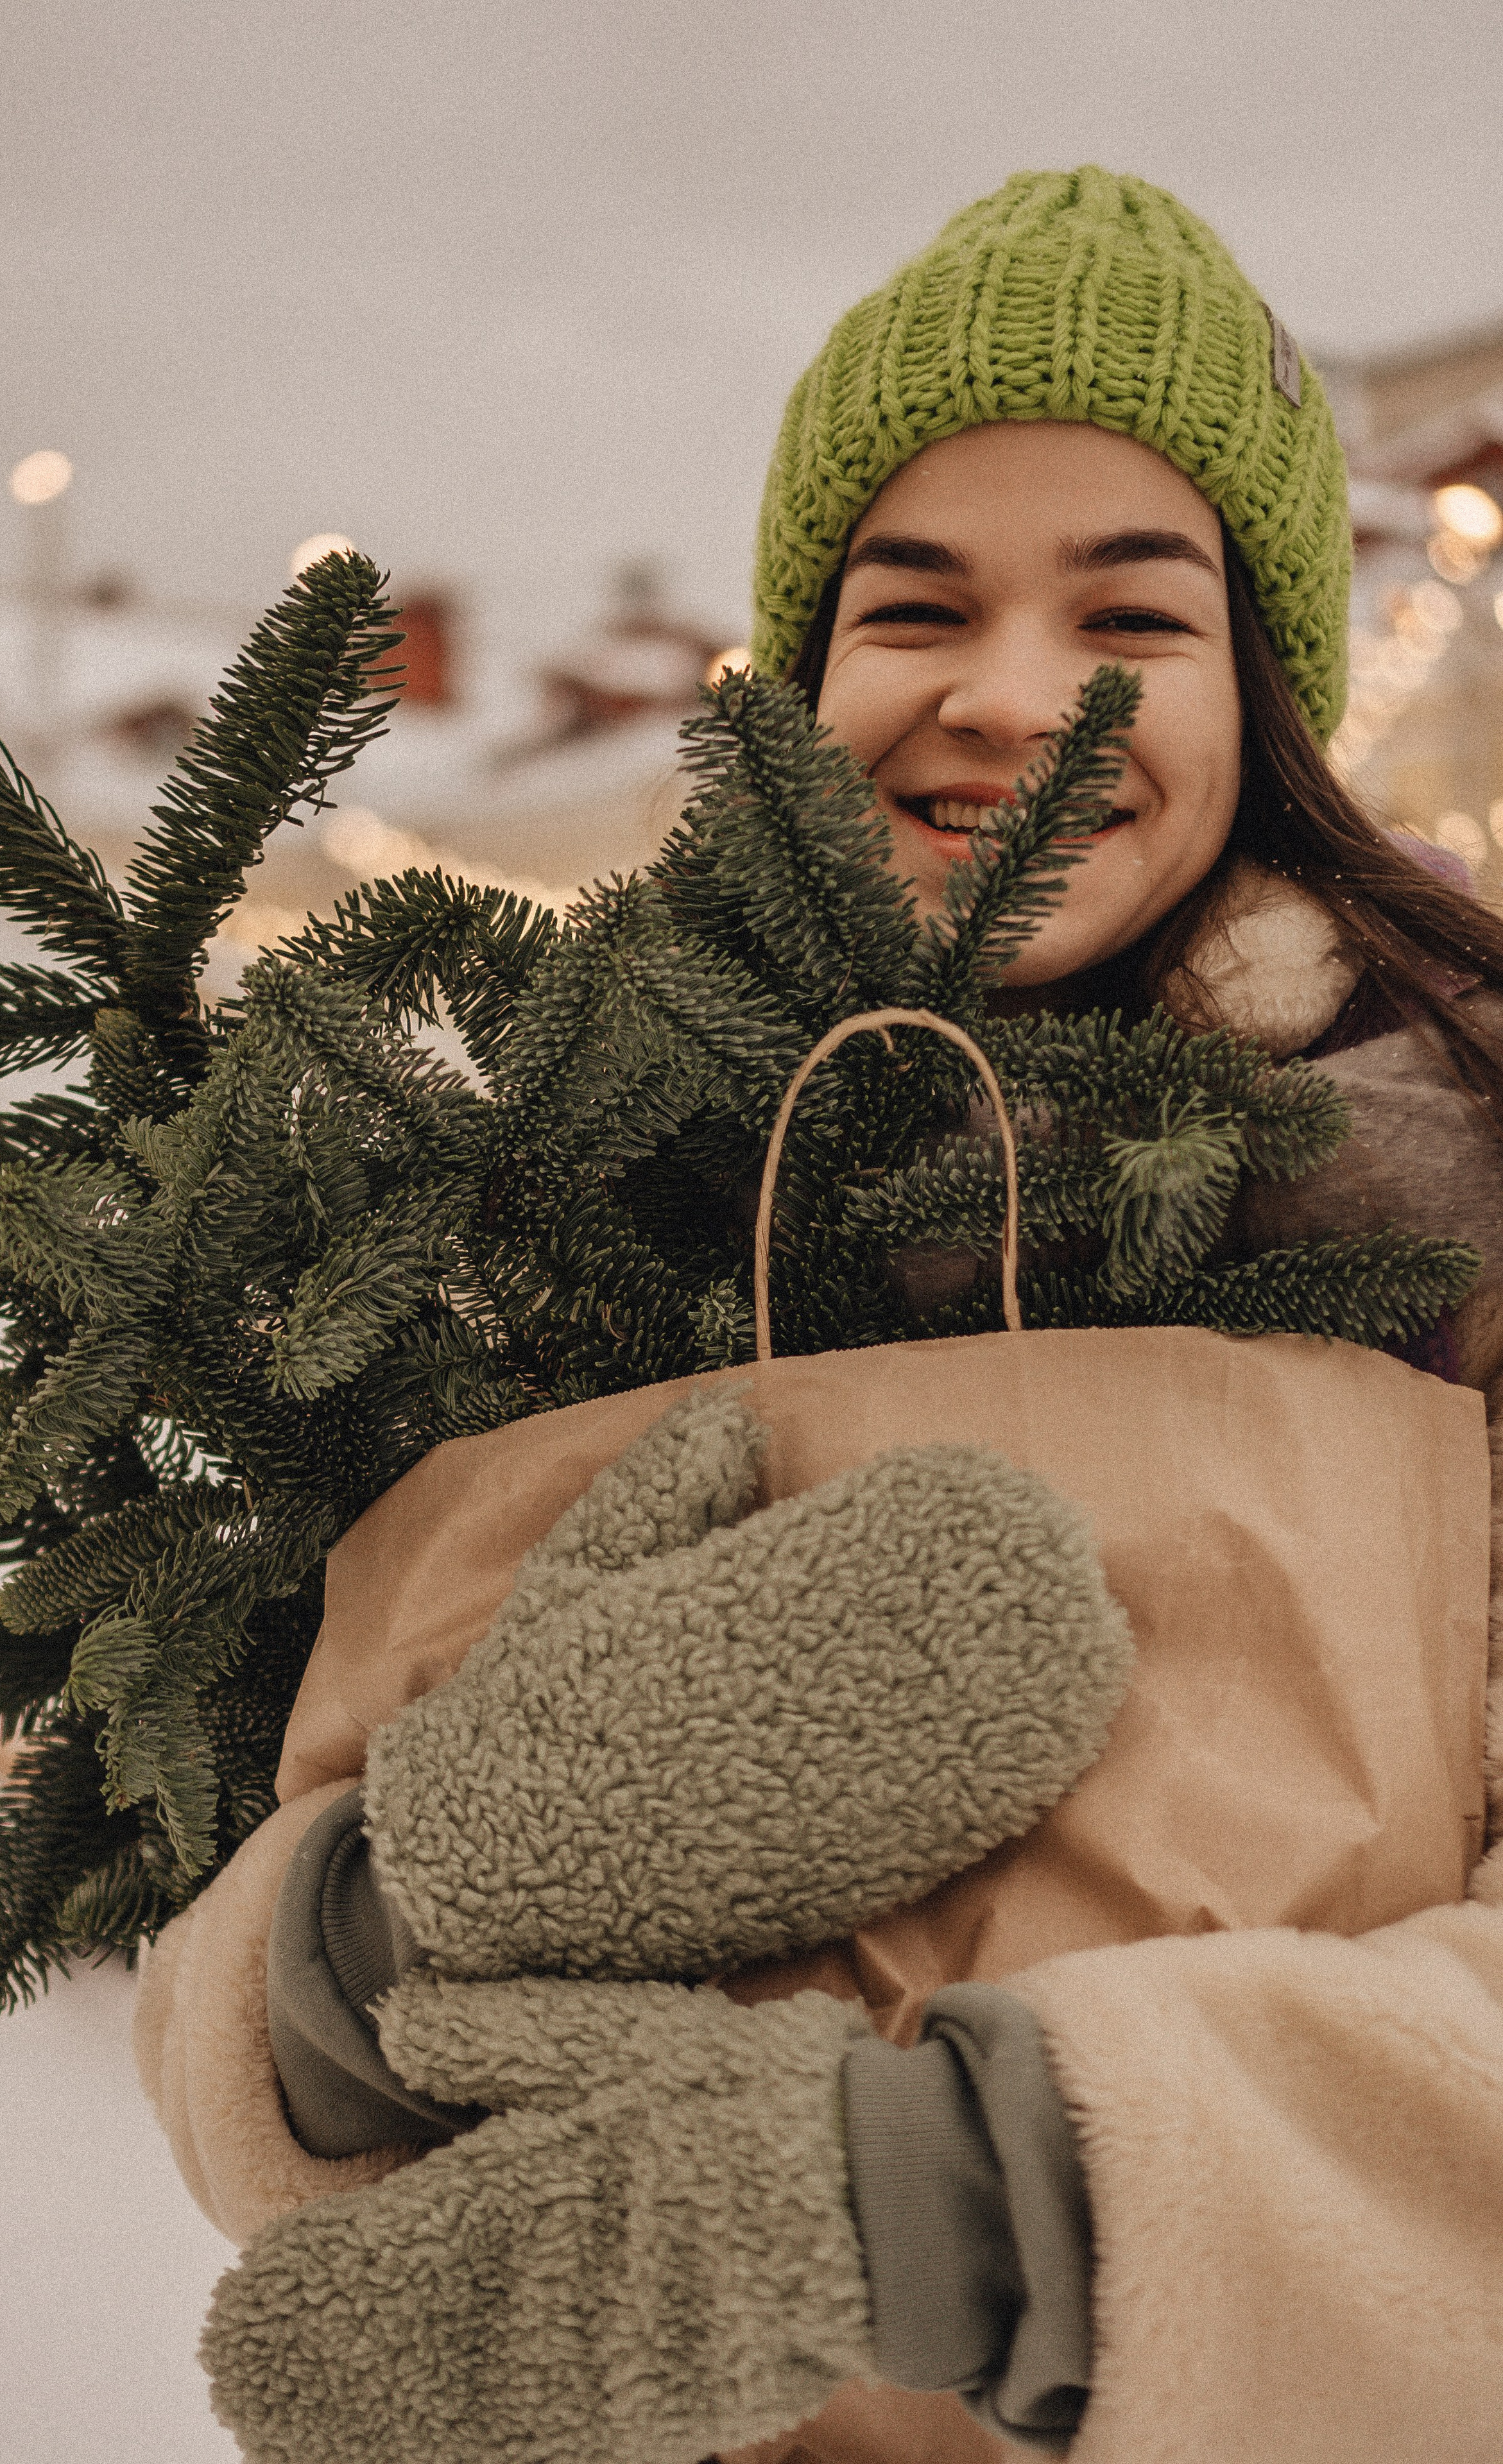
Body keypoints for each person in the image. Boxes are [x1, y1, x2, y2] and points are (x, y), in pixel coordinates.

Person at [137, 167, 1503, 2463]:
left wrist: (967, 2202)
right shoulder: (561, 1190)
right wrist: (370, 1945)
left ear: (1260, 678)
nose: (1006, 700)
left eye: (1131, 616)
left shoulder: (1460, 1170)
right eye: (917, 604)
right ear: (806, 666)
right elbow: (210, 1939)